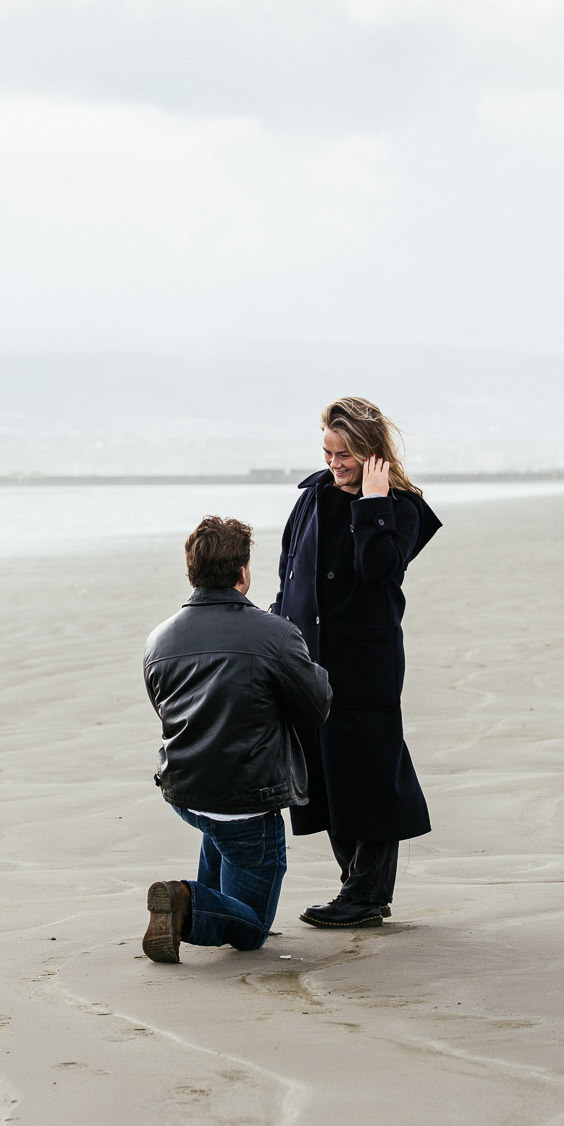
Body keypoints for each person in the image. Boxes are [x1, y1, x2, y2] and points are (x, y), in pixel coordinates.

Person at [272, 397, 442, 927]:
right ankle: (357, 889)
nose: (333, 463)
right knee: (322, 775)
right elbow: (288, 574)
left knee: (367, 773)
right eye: (327, 451)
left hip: (365, 661)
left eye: (343, 454)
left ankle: (367, 896)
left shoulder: (404, 507)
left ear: (371, 454)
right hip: (309, 660)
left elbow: (380, 571)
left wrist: (373, 502)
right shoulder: (311, 498)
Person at [140, 516, 334, 963]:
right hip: (248, 800)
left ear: (192, 571)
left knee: (218, 829)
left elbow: (165, 708)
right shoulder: (275, 633)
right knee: (250, 928)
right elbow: (316, 707)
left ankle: (193, 897)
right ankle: (186, 902)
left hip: (185, 790)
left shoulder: (159, 639)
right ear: (243, 573)